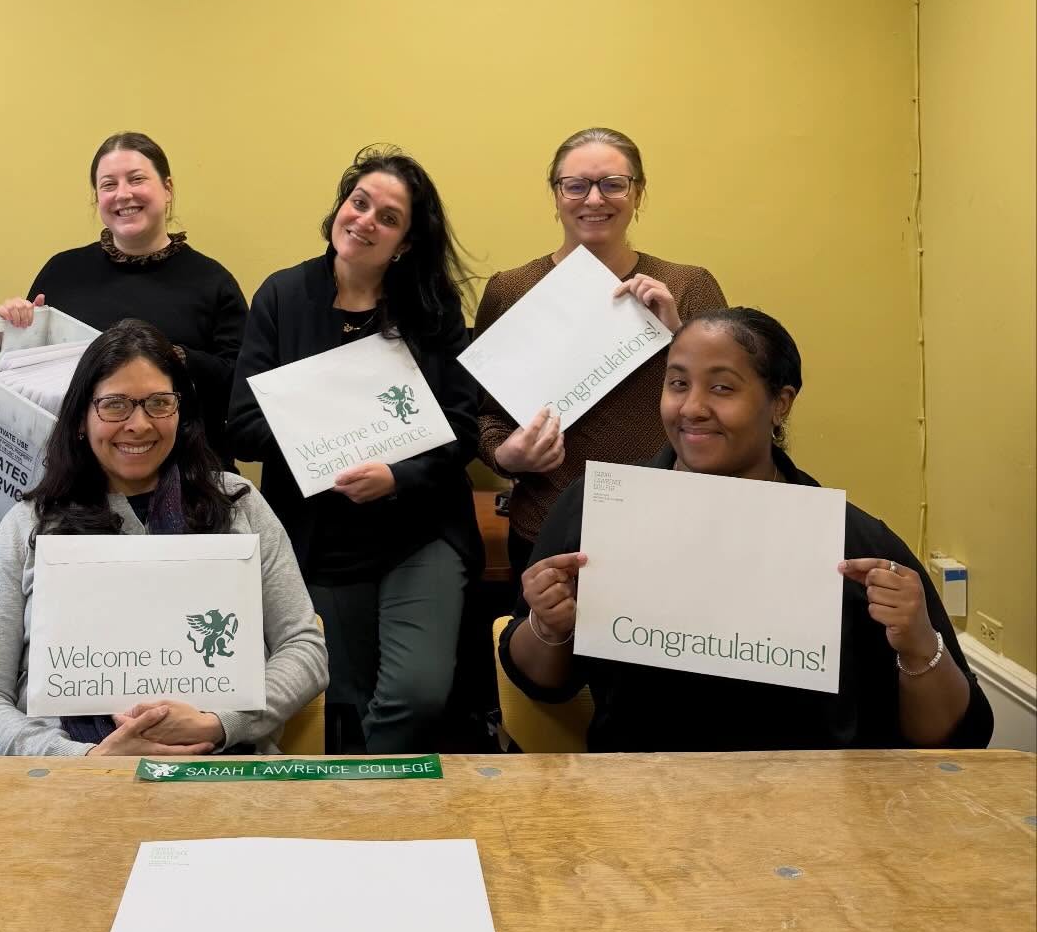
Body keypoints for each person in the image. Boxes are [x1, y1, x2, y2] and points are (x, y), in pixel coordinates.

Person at [499, 308, 993, 752]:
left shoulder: (851, 545)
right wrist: (548, 626)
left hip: (810, 807)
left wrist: (919, 645)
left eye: (721, 387)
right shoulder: (598, 509)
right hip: (640, 802)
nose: (692, 407)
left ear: (780, 403)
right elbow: (540, 682)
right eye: (677, 384)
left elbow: (957, 736)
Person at [0, 319, 327, 757]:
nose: (139, 424)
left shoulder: (237, 504)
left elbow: (304, 648)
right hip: (68, 781)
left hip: (221, 768)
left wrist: (219, 723)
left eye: (158, 403)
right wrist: (85, 759)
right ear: (80, 419)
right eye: (114, 405)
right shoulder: (28, 525)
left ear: (181, 412)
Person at [228, 147, 482, 753]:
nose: (365, 220)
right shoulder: (283, 297)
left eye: (388, 217)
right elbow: (241, 425)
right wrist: (327, 443)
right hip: (316, 535)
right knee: (341, 698)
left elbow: (462, 428)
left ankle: (368, 796)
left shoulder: (434, 308)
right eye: (358, 202)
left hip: (419, 528)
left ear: (406, 243)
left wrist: (397, 475)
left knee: (416, 694)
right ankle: (358, 807)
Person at [474, 126, 725, 573]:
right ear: (556, 194)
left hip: (665, 524)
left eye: (613, 184)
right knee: (545, 640)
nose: (594, 200)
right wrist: (506, 456)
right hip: (546, 525)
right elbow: (483, 414)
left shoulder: (688, 286)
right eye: (576, 185)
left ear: (638, 193)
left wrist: (678, 336)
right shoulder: (511, 291)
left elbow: (726, 401)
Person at [0, 131, 247, 460]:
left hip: (188, 472)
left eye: (137, 179)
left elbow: (241, 385)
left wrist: (171, 359)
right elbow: (23, 376)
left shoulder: (213, 282)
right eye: (108, 185)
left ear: (167, 188)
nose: (123, 194)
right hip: (80, 475)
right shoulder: (62, 272)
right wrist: (17, 325)